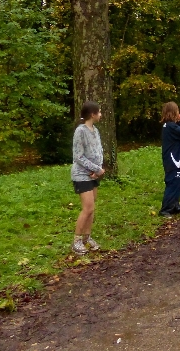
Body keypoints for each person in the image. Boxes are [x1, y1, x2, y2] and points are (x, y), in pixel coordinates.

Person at [70, 101, 105, 255]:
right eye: (99, 112)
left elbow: (99, 151)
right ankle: (76, 241)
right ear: (92, 114)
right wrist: (96, 169)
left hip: (93, 175)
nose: (101, 114)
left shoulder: (95, 130)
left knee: (92, 209)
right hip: (81, 174)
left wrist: (97, 170)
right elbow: (78, 156)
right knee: (88, 207)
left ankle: (87, 238)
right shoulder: (80, 131)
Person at [159, 101, 180, 218]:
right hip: (174, 160)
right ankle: (165, 209)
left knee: (177, 184)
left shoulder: (169, 126)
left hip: (174, 159)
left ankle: (175, 205)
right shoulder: (171, 127)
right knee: (173, 184)